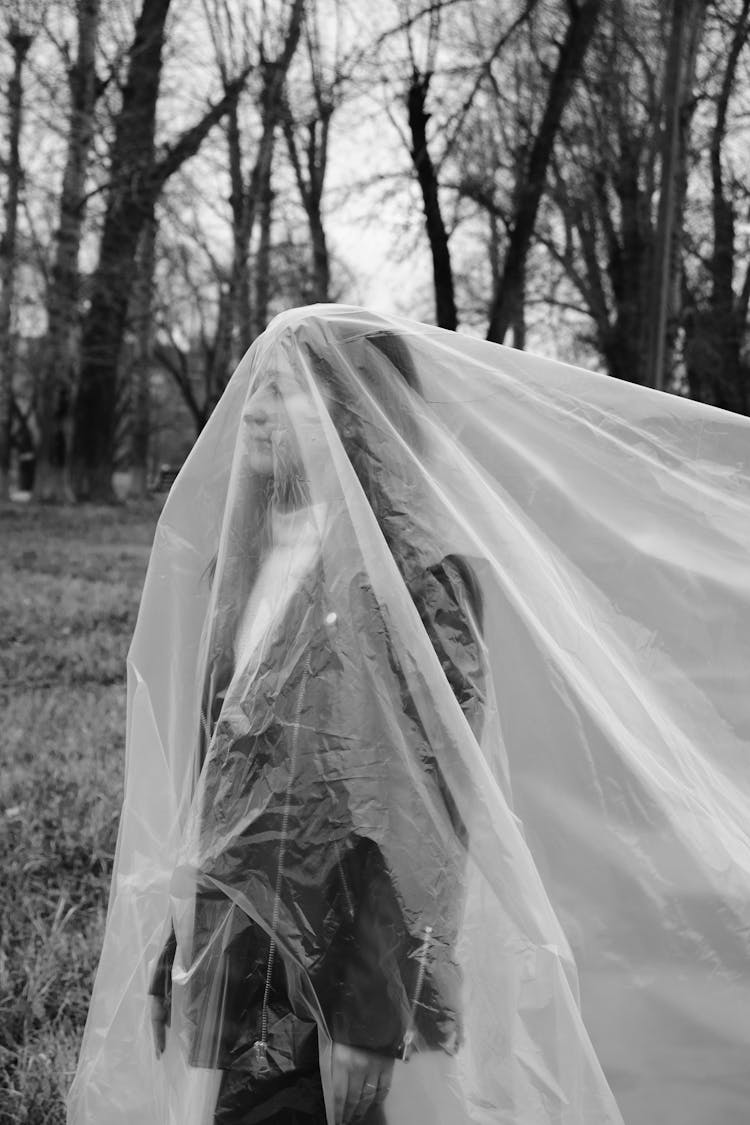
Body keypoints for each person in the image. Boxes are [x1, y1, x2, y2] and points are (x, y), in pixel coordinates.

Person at [70, 305, 750, 1125]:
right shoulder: (238, 563)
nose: (249, 410)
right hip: (238, 963)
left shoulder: (419, 577)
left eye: (281, 393)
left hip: (356, 977)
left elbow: (428, 810)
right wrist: (186, 953)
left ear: (354, 409)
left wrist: (371, 1004)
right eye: (251, 391)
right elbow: (220, 793)